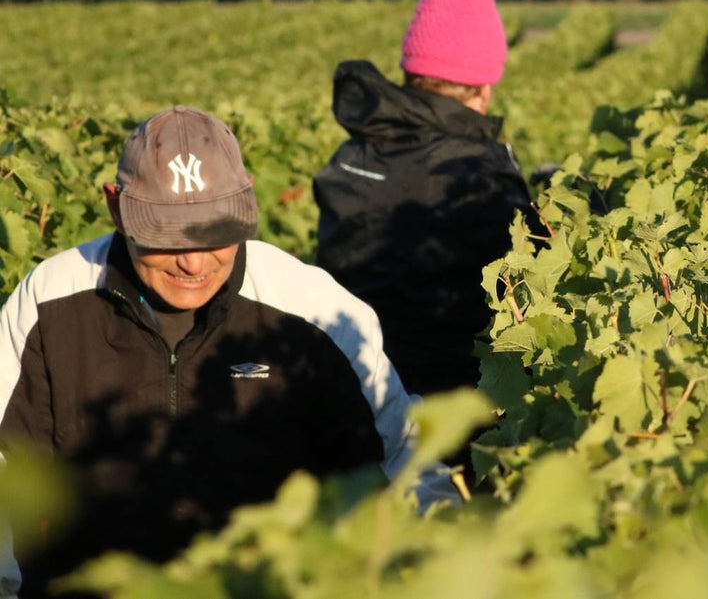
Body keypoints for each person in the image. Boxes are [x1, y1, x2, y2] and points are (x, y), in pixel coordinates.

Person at [1, 107, 442, 598]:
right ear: (116, 208)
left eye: (215, 233)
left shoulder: (317, 313)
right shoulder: (49, 304)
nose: (193, 262)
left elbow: (406, 468)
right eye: (165, 237)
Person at [314, 0, 532, 398]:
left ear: (411, 72)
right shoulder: (480, 173)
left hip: (353, 396)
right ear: (485, 87)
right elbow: (520, 289)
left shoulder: (353, 155)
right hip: (449, 412)